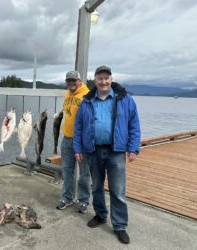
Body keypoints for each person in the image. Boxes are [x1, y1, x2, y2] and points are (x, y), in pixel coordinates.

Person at [74, 66, 141, 244]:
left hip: (116, 151)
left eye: (106, 78)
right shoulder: (87, 101)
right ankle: (101, 215)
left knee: (118, 190)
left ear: (111, 79)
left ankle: (119, 226)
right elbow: (78, 126)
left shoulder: (125, 100)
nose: (103, 81)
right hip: (93, 151)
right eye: (100, 78)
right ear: (94, 81)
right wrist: (77, 148)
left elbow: (134, 125)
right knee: (96, 187)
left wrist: (133, 148)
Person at [56, 70, 91, 213]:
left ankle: (83, 200)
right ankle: (67, 197)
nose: (71, 83)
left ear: (80, 81)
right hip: (67, 138)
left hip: (82, 141)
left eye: (73, 80)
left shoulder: (87, 95)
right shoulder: (67, 94)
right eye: (68, 81)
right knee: (67, 170)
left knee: (84, 173)